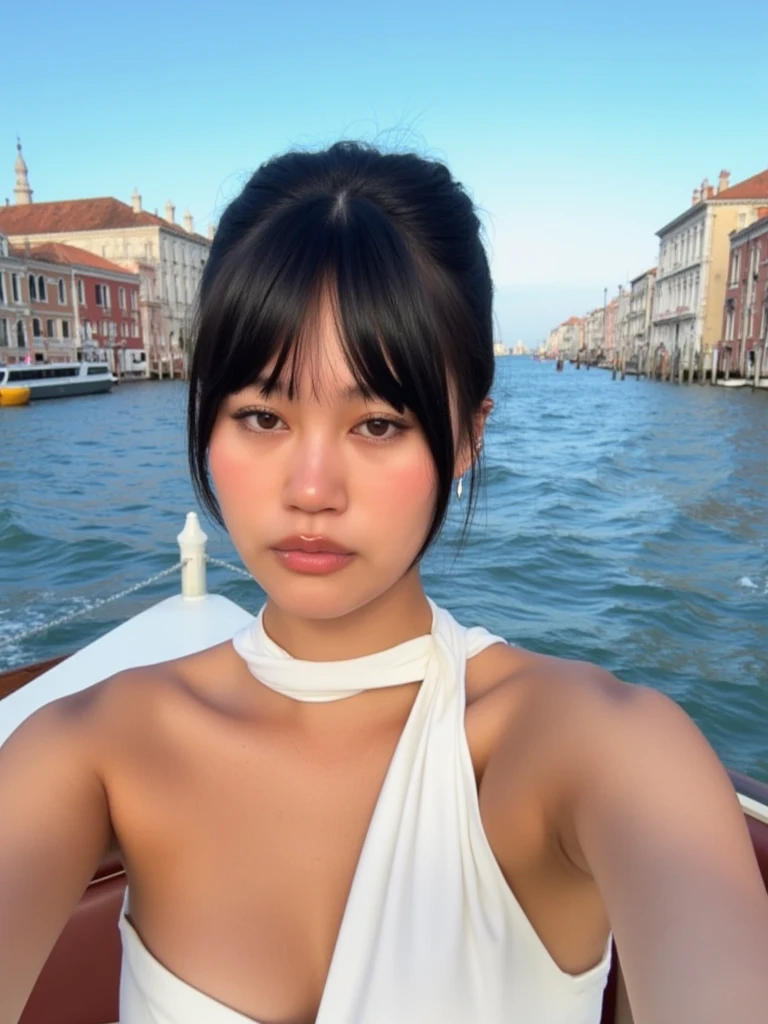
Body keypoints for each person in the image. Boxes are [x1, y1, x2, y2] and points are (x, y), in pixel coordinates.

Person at [1, 142, 767, 1024]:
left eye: (376, 422)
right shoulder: (89, 750)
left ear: (470, 434)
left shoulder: (602, 753)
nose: (312, 491)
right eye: (260, 415)